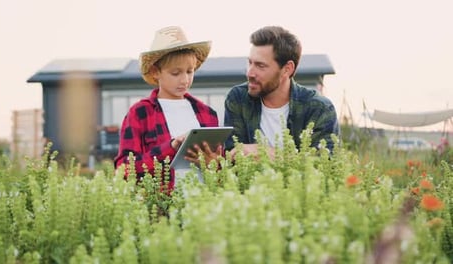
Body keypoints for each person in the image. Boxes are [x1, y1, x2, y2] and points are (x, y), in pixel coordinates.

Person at [114, 26, 219, 190]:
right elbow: (124, 169)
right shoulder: (140, 113)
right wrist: (171, 147)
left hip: (204, 206)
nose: (185, 80)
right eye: (176, 73)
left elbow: (220, 167)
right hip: (162, 208)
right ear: (156, 72)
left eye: (190, 72)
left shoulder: (207, 113)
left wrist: (212, 163)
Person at [224, 26, 339, 158]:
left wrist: (266, 152)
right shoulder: (238, 99)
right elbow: (232, 157)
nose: (249, 73)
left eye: (260, 66)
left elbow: (325, 164)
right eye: (250, 63)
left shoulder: (319, 108)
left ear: (287, 69)